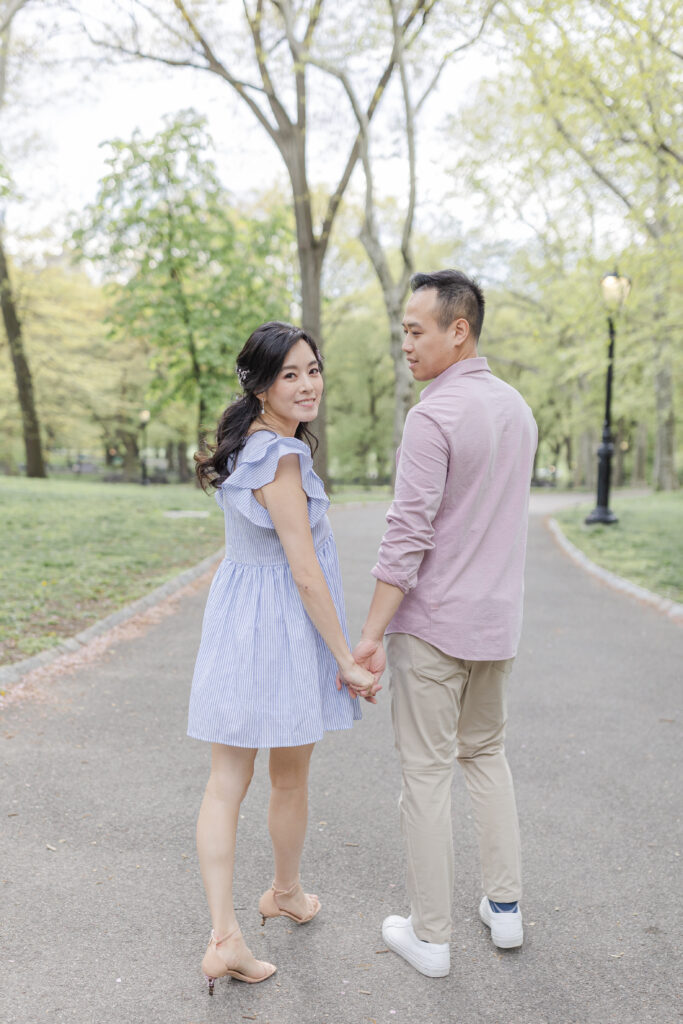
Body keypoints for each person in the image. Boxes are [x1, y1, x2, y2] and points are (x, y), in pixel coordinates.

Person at [350, 270, 537, 978]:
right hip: (497, 625)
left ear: (458, 330)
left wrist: (369, 634)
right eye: (403, 329)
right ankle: (505, 909)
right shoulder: (517, 409)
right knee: (485, 756)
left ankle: (429, 937)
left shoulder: (432, 415)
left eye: (415, 329)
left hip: (433, 628)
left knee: (425, 775)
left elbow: (407, 535)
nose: (405, 342)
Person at [188, 321, 378, 993]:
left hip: (237, 622)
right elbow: (303, 570)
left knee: (226, 782)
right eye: (289, 374)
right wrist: (346, 661)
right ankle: (244, 922)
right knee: (285, 779)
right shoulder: (282, 458)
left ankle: (268, 906)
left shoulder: (249, 447)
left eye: (312, 370)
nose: (306, 384)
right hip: (281, 629)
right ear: (261, 385)